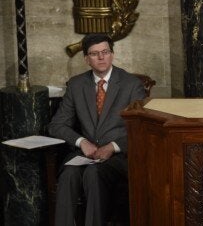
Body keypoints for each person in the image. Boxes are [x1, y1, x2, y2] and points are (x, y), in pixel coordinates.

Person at [48, 33, 145, 226]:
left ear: (112, 54)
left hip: (118, 157)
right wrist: (81, 142)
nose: (101, 58)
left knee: (93, 174)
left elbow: (140, 128)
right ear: (86, 59)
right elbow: (56, 125)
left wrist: (113, 147)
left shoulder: (131, 84)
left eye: (105, 52)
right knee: (68, 173)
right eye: (94, 54)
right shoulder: (76, 85)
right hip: (85, 153)